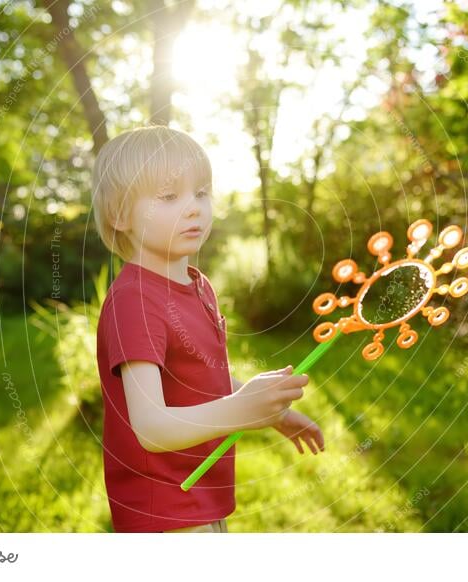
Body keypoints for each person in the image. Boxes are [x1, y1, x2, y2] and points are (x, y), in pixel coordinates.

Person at [92, 126, 325, 533]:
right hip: (162, 512)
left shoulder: (199, 286)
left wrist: (273, 412)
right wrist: (242, 411)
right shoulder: (134, 301)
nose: (193, 208)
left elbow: (201, 378)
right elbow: (150, 428)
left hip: (202, 499)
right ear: (120, 215)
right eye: (168, 196)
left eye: (201, 193)